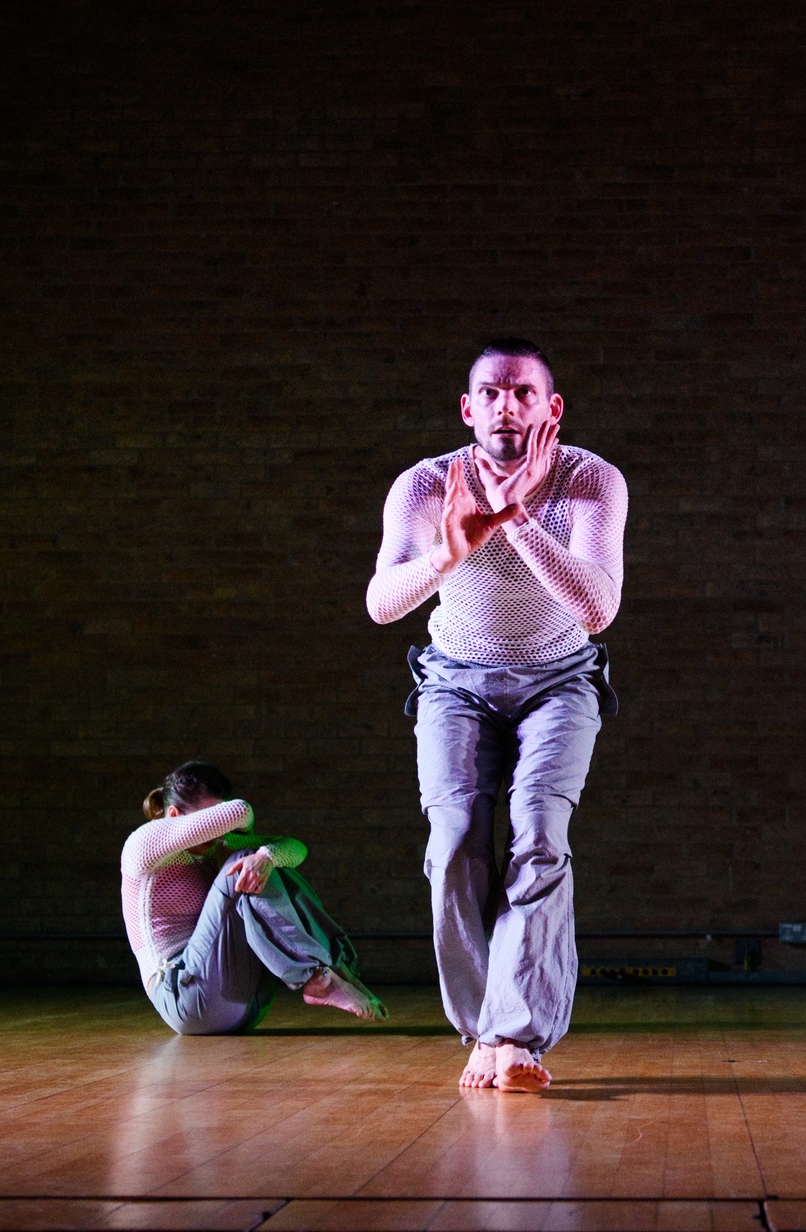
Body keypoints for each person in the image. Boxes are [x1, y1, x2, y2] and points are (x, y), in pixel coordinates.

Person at [366, 338, 627, 1092]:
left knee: (538, 834)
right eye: (491, 393)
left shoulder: (590, 480)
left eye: (522, 393)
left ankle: (513, 1036)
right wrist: (445, 556)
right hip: (456, 681)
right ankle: (484, 1026)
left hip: (559, 680)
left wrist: (515, 518)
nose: (505, 406)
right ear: (468, 408)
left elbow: (597, 608)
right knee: (454, 842)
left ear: (551, 407)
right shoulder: (426, 485)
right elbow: (381, 604)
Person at [120, 760, 388, 1034]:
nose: (217, 832)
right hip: (185, 997)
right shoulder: (143, 843)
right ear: (174, 815)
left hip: (243, 1005)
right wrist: (252, 852)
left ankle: (335, 969)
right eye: (209, 819)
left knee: (265, 861)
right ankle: (318, 978)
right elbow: (240, 811)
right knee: (244, 862)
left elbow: (296, 848)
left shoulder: (210, 846)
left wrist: (267, 857)